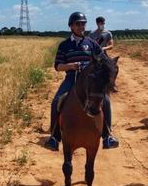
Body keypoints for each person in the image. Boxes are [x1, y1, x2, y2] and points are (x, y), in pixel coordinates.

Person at [44, 12, 120, 151]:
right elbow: (58, 66)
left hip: (90, 81)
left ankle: (107, 136)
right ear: (71, 26)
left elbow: (103, 60)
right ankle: (54, 137)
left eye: (83, 24)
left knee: (106, 101)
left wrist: (112, 65)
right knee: (56, 101)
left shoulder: (91, 44)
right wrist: (70, 66)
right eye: (77, 24)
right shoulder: (64, 45)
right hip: (71, 78)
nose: (81, 26)